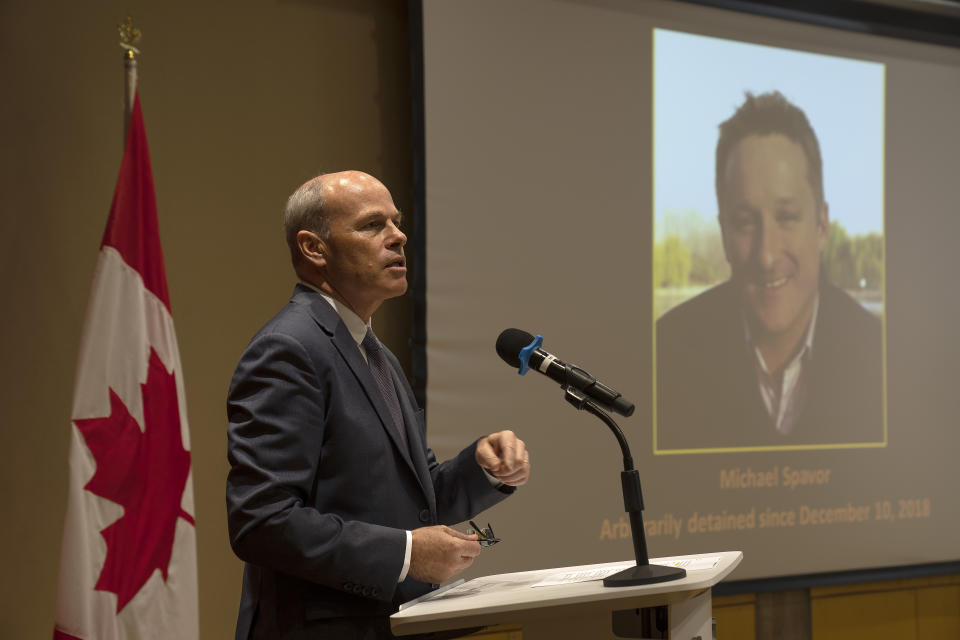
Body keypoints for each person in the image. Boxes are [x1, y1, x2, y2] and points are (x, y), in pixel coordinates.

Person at [226, 170, 530, 639]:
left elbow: (417, 498)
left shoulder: (373, 352)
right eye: (372, 225)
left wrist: (481, 469)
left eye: (396, 221)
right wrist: (405, 554)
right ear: (314, 248)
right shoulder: (288, 349)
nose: (398, 236)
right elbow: (261, 520)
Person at [656, 91, 883, 450]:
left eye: (787, 217)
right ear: (724, 232)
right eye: (746, 222)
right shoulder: (665, 354)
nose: (766, 255)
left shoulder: (880, 352)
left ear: (822, 225)